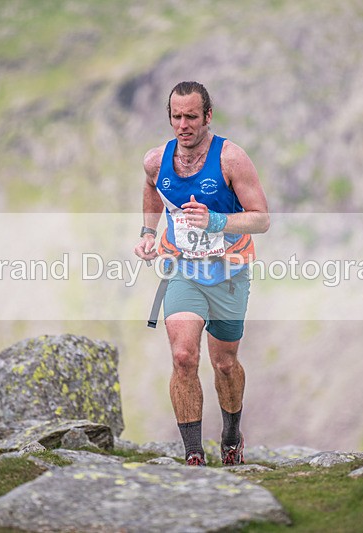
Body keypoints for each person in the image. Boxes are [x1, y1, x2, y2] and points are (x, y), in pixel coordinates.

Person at [134, 81, 270, 466]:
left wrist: (215, 221)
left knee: (225, 364)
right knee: (183, 356)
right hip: (183, 271)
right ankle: (194, 456)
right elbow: (151, 187)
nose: (183, 124)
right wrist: (148, 233)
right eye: (176, 117)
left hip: (229, 273)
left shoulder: (231, 159)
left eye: (191, 116)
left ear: (208, 116)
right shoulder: (156, 160)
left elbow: (261, 219)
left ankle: (230, 436)